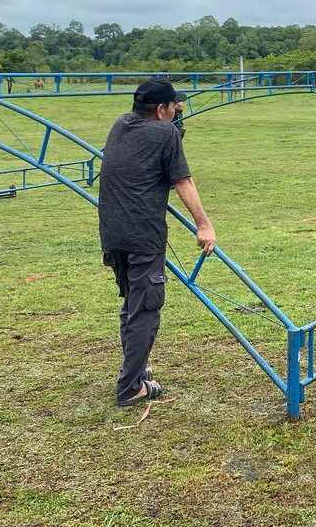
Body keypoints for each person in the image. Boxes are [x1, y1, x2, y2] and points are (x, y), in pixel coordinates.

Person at [99, 78, 216, 408]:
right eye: (173, 107)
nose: (175, 112)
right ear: (162, 109)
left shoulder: (120, 124)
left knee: (132, 305)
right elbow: (183, 180)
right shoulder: (166, 133)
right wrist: (204, 225)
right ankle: (130, 387)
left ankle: (136, 368)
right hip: (142, 237)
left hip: (112, 234)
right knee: (145, 311)